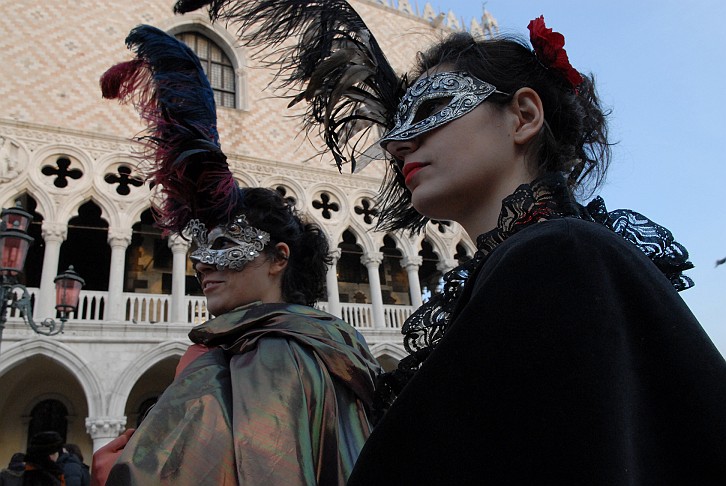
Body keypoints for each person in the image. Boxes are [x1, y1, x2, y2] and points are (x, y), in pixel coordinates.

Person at [173, 1, 726, 482]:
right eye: (396, 122)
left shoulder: (558, 258)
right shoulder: (534, 263)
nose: (396, 142)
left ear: (524, 116)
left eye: (432, 109)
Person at [93, 25, 380, 486]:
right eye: (201, 248)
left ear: (278, 258)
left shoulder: (264, 354)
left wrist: (116, 476)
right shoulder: (331, 350)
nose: (202, 263)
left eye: (225, 245)